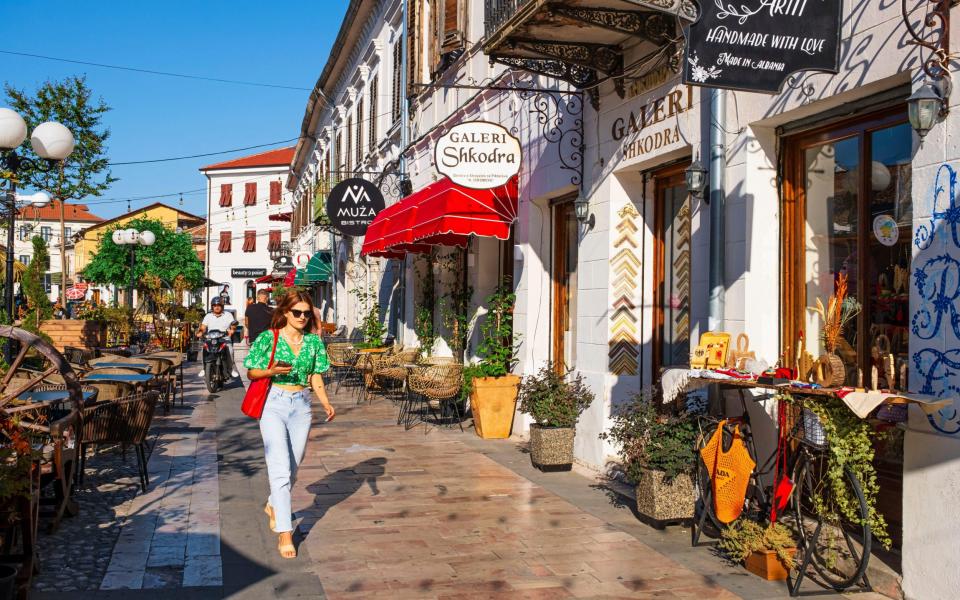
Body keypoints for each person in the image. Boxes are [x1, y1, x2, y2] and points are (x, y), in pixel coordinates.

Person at [244, 290, 335, 559]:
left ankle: (274, 504)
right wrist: (271, 371)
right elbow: (251, 370)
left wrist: (326, 402)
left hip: (302, 405)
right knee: (280, 470)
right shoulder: (268, 338)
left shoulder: (313, 343)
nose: (303, 317)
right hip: (273, 402)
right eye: (297, 312)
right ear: (285, 312)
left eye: (307, 313)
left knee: (294, 466)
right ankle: (285, 533)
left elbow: (316, 374)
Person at [197, 297, 238, 378]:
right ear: (212, 306)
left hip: (224, 338)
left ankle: (231, 369)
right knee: (203, 350)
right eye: (214, 305)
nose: (216, 307)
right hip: (210, 339)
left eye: (219, 305)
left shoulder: (228, 315)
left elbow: (233, 324)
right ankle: (204, 368)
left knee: (230, 350)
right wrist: (200, 332)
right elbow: (203, 326)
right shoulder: (208, 316)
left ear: (222, 306)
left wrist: (232, 330)